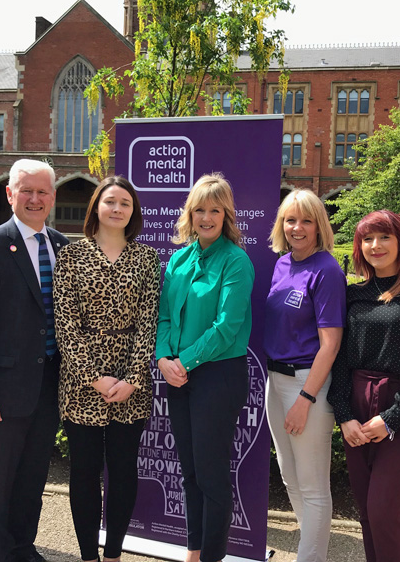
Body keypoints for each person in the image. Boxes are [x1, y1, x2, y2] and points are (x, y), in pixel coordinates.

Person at [0, 158, 69, 562]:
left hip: (48, 388)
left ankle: (23, 548)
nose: (34, 199)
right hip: (2, 393)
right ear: (10, 194)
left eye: (42, 192)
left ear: (53, 197)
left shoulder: (62, 247)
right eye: (27, 191)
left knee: (32, 479)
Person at [53, 176, 160, 562]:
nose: (117, 209)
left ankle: (113, 553)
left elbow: (149, 322)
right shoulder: (70, 256)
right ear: (96, 206)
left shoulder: (146, 258)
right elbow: (65, 323)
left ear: (134, 212)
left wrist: (132, 378)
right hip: (81, 383)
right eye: (110, 201)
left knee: (123, 469)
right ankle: (88, 556)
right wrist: (94, 378)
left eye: (125, 203)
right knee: (84, 472)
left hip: (131, 383)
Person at [327, 210, 400, 562]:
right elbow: (339, 359)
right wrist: (344, 415)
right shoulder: (352, 295)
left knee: (385, 514)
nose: (375, 245)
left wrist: (391, 418)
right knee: (367, 513)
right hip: (357, 412)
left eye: (384, 237)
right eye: (367, 239)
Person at [155, 173, 254, 562]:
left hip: (217, 377)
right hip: (178, 375)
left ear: (226, 214)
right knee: (190, 472)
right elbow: (164, 316)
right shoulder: (179, 259)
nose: (207, 217)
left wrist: (184, 361)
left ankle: (211, 557)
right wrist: (163, 359)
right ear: (190, 214)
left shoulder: (236, 261)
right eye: (200, 210)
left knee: (211, 476)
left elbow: (226, 327)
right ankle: (193, 552)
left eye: (215, 210)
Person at [263, 189, 345, 562]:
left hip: (306, 384)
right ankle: (310, 551)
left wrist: (306, 399)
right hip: (275, 381)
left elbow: (331, 345)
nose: (297, 228)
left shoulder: (327, 270)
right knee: (290, 478)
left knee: (312, 486)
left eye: (306, 220)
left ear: (319, 226)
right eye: (290, 220)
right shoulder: (282, 264)